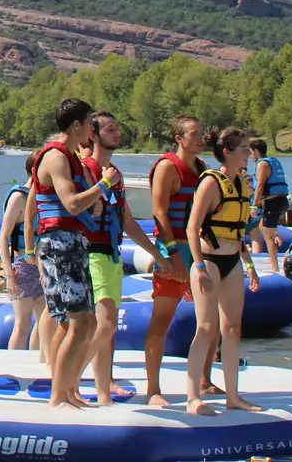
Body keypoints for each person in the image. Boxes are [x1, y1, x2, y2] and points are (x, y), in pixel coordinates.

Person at [81, 111, 171, 404]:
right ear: (92, 135)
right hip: (91, 255)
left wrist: (159, 254)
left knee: (107, 329)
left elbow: (129, 223)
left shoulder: (115, 175)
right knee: (104, 325)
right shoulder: (86, 170)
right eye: (109, 129)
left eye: (117, 128)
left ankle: (104, 390)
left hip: (112, 255)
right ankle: (68, 379)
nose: (116, 133)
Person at [32, 99, 109, 409]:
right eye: (90, 121)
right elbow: (72, 204)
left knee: (81, 323)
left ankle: (69, 391)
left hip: (73, 242)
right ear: (77, 125)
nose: (94, 128)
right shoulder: (55, 157)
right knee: (77, 323)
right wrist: (104, 184)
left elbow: (86, 203)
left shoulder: (74, 157)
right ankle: (58, 397)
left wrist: (97, 195)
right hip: (59, 245)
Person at [185, 127, 262, 417]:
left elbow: (239, 232)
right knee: (206, 329)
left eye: (249, 148)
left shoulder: (242, 185)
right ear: (227, 152)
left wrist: (250, 265)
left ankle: (233, 395)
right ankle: (193, 398)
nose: (249, 153)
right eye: (243, 148)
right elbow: (192, 227)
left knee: (233, 329)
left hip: (233, 261)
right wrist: (200, 266)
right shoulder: (210, 183)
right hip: (209, 260)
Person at [142, 114, 209, 406]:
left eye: (201, 133)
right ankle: (153, 389)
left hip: (198, 251)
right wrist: (172, 255)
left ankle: (205, 381)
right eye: (194, 134)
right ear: (179, 139)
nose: (200, 138)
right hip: (174, 252)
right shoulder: (168, 167)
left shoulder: (203, 168)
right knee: (162, 321)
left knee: (210, 319)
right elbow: (159, 212)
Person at [0, 157, 44, 351]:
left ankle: (36, 364)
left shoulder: (43, 196)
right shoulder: (19, 197)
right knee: (22, 324)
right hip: (22, 266)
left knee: (44, 323)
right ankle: (12, 369)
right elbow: (3, 237)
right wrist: (8, 274)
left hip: (42, 267)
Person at [251, 138, 289, 277]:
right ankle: (271, 258)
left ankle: (275, 267)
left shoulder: (262, 165)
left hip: (274, 203)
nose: (250, 156)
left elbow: (260, 187)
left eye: (250, 153)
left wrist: (254, 205)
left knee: (268, 235)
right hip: (279, 200)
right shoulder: (273, 161)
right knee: (262, 227)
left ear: (255, 151)